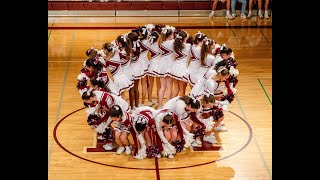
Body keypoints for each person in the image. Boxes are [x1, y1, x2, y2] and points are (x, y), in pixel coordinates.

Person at [169, 30, 190, 97]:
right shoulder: (188, 46)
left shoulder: (176, 45)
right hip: (182, 69)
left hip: (175, 67)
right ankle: (181, 105)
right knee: (182, 90)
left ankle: (171, 105)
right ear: (185, 38)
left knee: (176, 89)